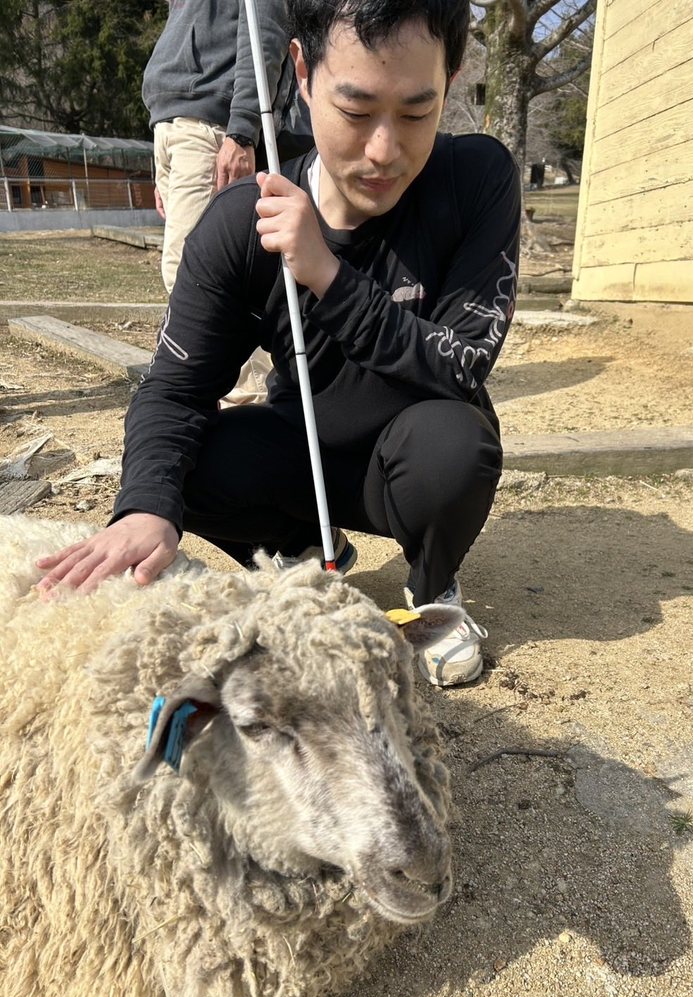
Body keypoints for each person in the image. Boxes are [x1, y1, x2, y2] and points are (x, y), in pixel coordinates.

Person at [36, 0, 521, 688]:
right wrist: (146, 505)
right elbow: (174, 388)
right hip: (303, 458)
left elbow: (463, 363)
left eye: (417, 112)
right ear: (301, 71)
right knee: (186, 463)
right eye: (355, 111)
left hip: (416, 454)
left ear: (453, 76)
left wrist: (326, 272)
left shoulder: (477, 178)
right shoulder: (243, 222)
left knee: (455, 445)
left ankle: (433, 586)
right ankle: (304, 551)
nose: (384, 150)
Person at [145, 0, 313, 406]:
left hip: (214, 126)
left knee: (209, 276)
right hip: (174, 123)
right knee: (184, 270)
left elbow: (264, 29)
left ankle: (247, 401)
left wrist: (242, 129)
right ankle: (232, 393)